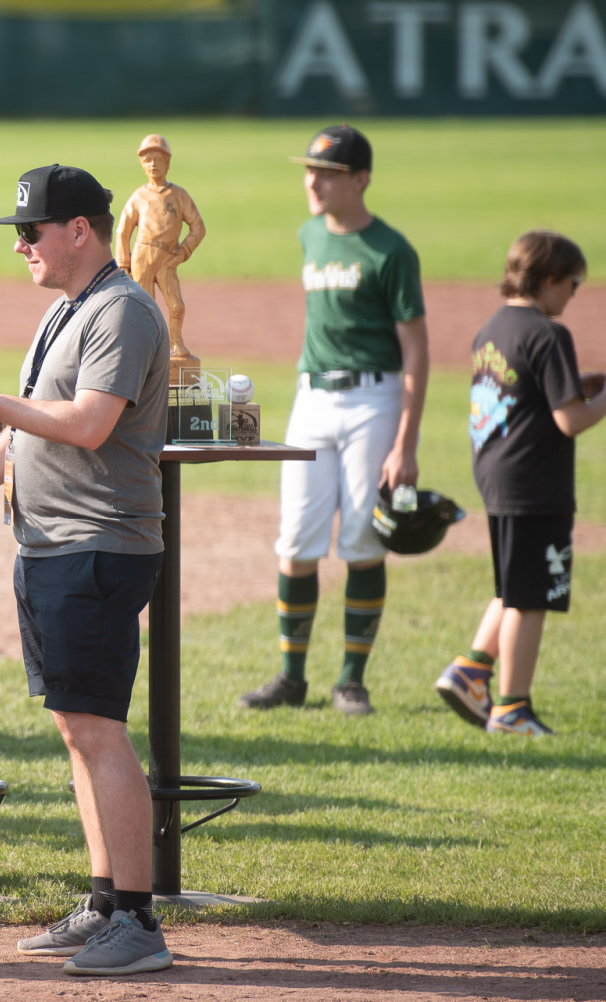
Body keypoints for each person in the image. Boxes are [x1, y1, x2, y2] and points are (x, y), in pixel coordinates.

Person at [0, 164, 172, 977]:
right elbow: (37, 426)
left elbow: (88, 426)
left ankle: (137, 918)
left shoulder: (123, 312)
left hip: (98, 545)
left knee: (99, 730)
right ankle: (103, 903)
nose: (21, 245)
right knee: (77, 728)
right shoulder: (69, 309)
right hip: (52, 543)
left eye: (31, 231)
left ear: (80, 231)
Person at [237, 124, 428, 717]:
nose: (313, 181)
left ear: (361, 180)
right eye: (310, 170)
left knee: (363, 540)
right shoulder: (309, 235)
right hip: (311, 399)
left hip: (375, 399)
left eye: (328, 173)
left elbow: (417, 349)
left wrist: (406, 443)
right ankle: (291, 678)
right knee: (296, 539)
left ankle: (351, 680)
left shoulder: (391, 250)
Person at [435, 231, 603, 736]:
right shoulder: (550, 334)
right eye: (574, 284)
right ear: (550, 280)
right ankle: (512, 708)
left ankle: (471, 670)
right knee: (531, 597)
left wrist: (582, 386)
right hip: (535, 480)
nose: (574, 295)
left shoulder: (492, 327)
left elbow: (528, 392)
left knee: (515, 582)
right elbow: (569, 421)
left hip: (498, 470)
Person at [113, 134, 205, 376]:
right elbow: (122, 231)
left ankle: (176, 344)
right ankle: (145, 348)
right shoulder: (139, 196)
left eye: (158, 159)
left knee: (176, 306)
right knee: (144, 306)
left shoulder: (178, 195)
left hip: (168, 257)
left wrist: (184, 250)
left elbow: (198, 227)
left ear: (168, 162)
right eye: (147, 160)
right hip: (142, 254)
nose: (153, 164)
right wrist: (123, 263)